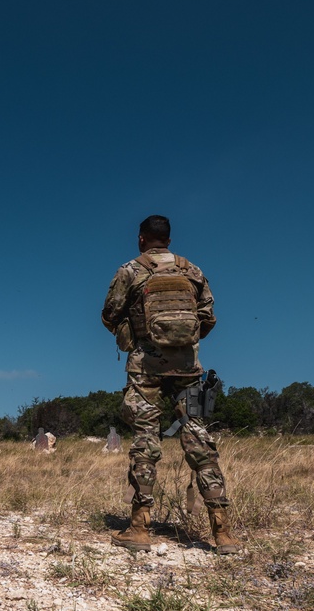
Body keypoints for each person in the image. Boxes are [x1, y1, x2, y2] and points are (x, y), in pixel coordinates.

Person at [101, 214, 240, 554]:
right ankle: (222, 534)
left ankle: (139, 528)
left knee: (146, 441)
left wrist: (141, 338)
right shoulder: (192, 271)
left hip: (145, 368)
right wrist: (182, 346)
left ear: (141, 239)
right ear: (169, 240)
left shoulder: (131, 270)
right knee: (199, 441)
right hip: (188, 369)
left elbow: (109, 314)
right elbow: (208, 317)